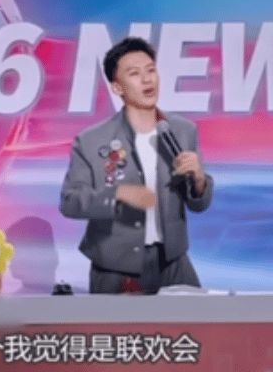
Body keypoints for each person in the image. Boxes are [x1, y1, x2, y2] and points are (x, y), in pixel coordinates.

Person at [59, 37, 213, 294]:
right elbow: (70, 202)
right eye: (134, 74)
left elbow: (199, 204)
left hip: (173, 262)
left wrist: (199, 180)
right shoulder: (91, 140)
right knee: (120, 323)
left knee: (198, 320)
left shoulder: (183, 131)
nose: (146, 80)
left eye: (150, 70)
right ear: (117, 87)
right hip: (116, 268)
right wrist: (117, 194)